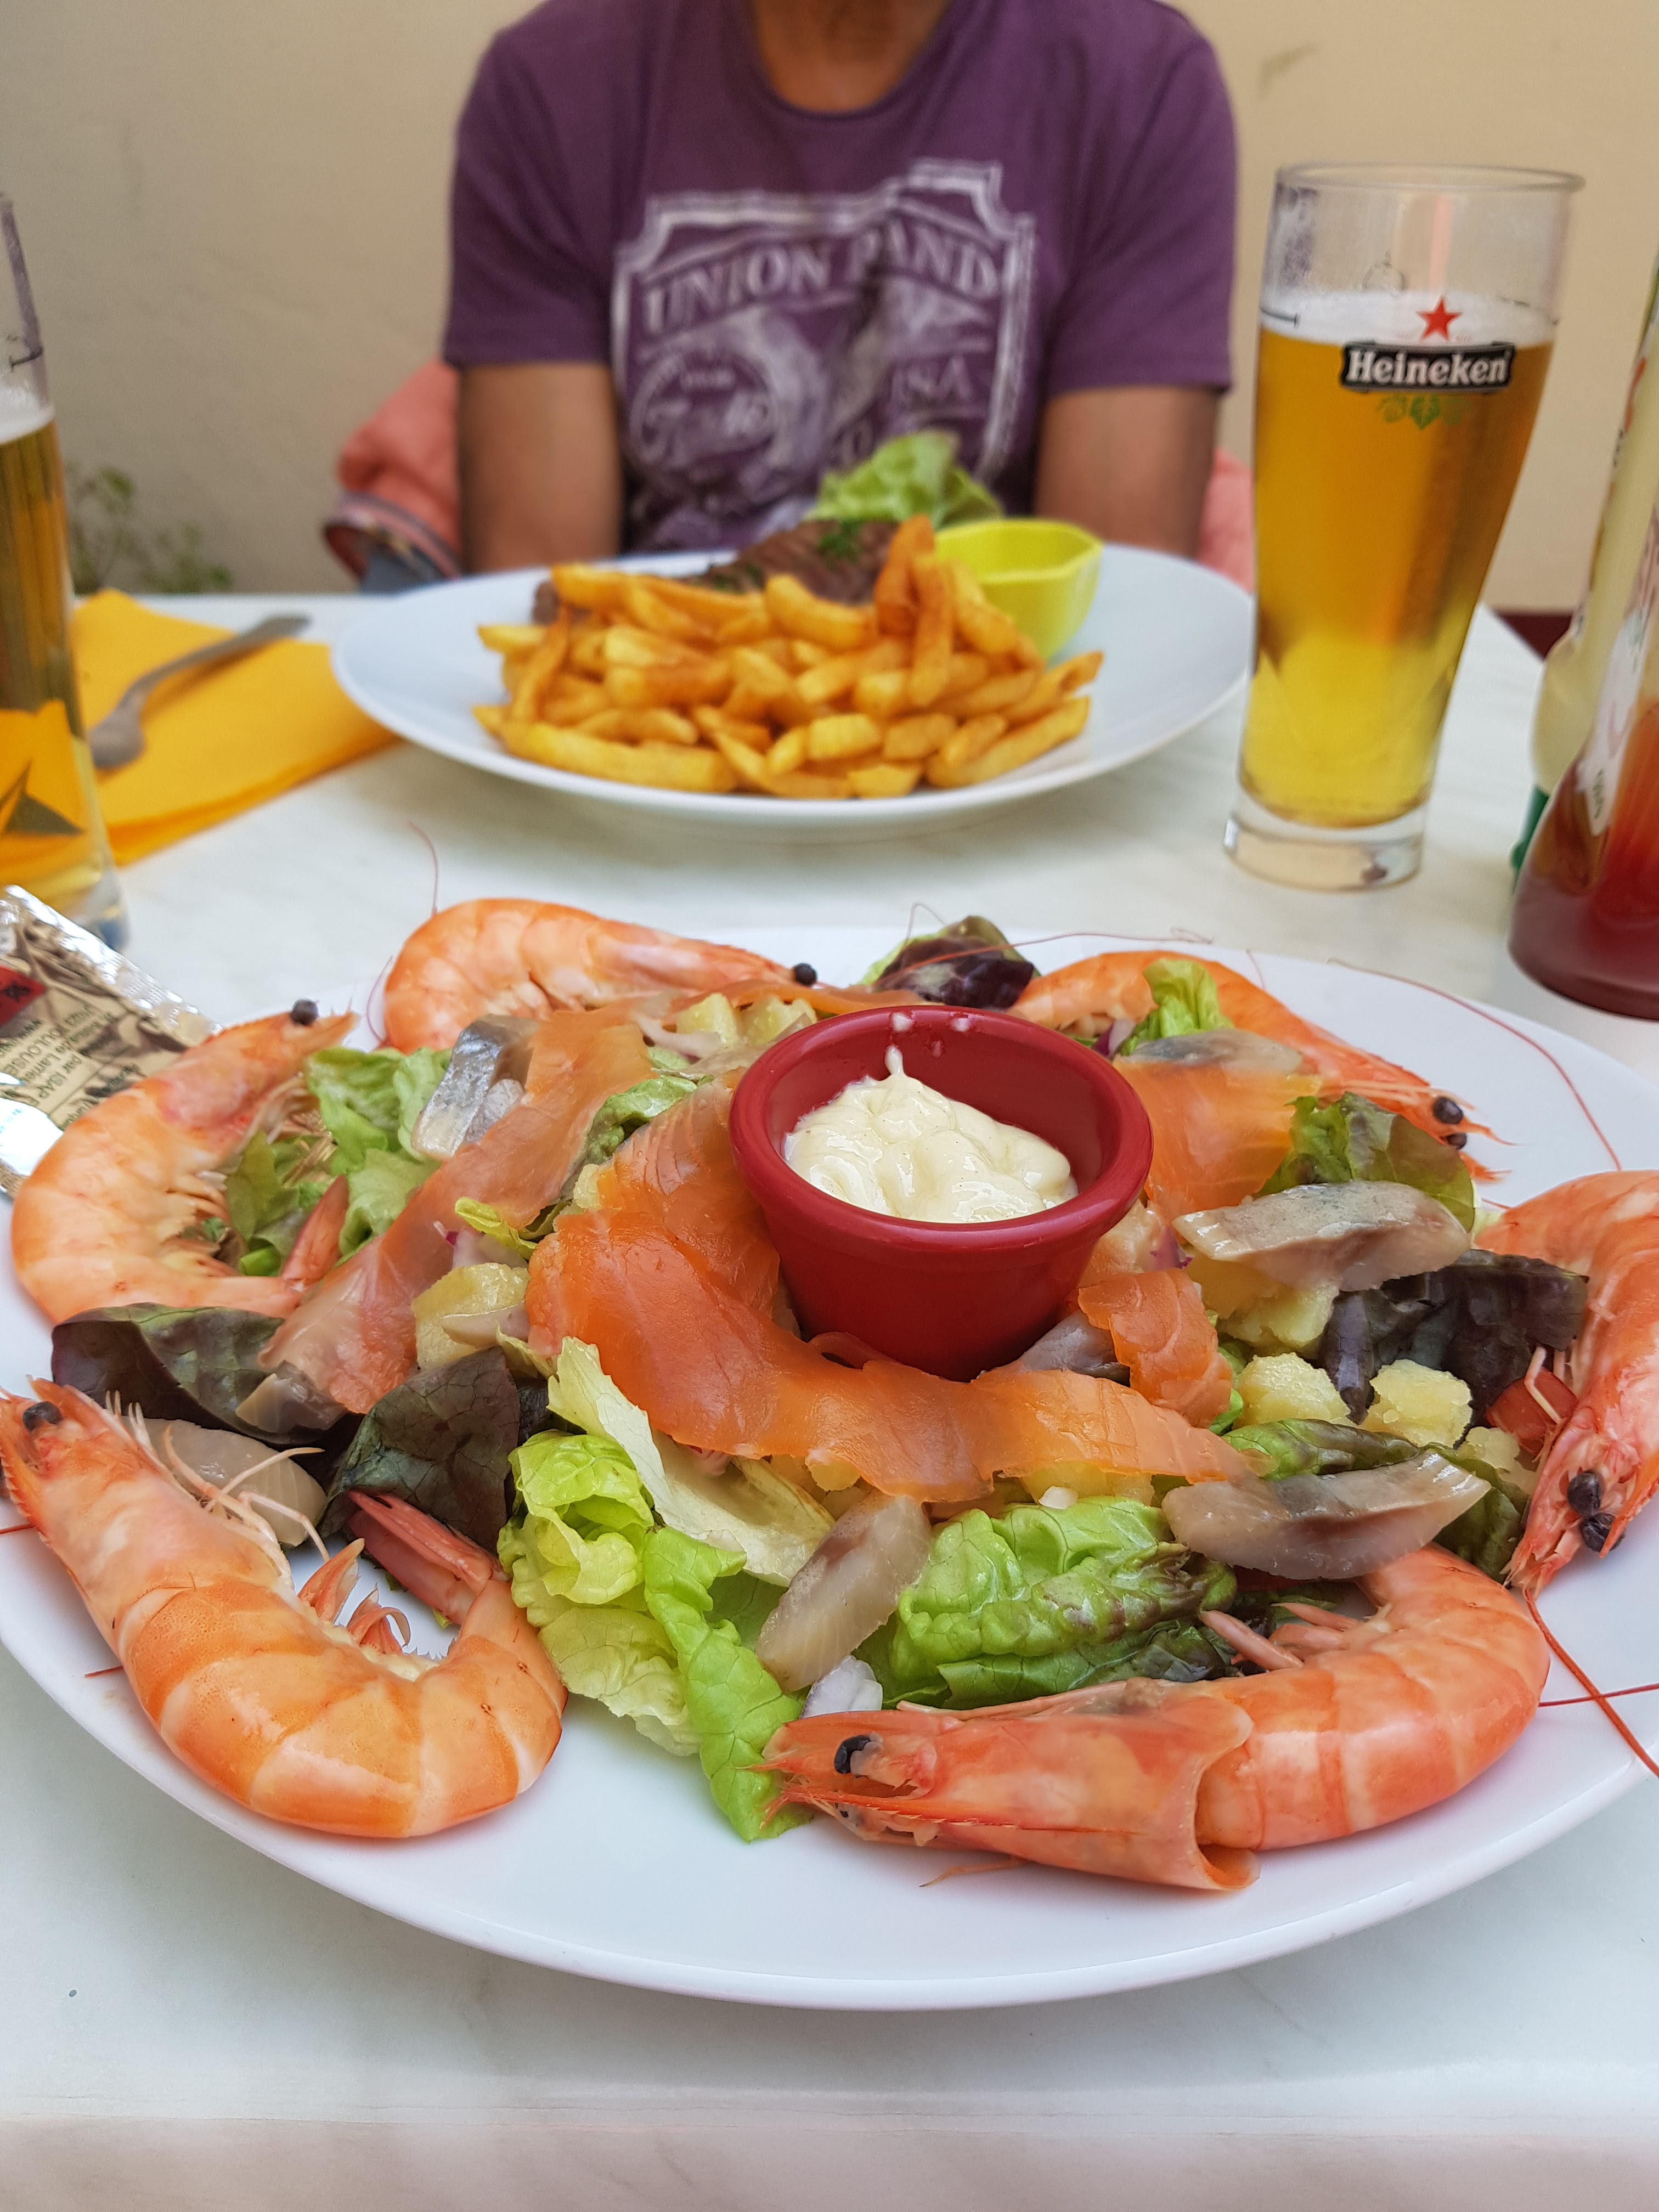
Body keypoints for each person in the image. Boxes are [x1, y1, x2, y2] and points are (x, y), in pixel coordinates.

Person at [442, 0, 1237, 574]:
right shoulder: (552, 87)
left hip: (993, 721)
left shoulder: (1140, 87)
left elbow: (1114, 607)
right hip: (659, 715)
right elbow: (541, 603)